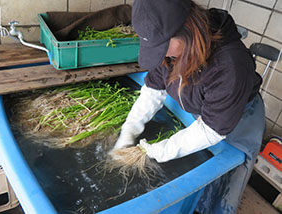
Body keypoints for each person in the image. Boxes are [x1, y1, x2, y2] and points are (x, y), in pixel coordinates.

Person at [111, 0, 265, 213]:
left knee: (225, 183)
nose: (163, 55)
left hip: (239, 119)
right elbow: (154, 89)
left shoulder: (230, 65)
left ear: (187, 29)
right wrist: (130, 129)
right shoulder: (172, 50)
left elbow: (211, 130)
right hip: (205, 111)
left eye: (163, 47)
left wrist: (163, 150)